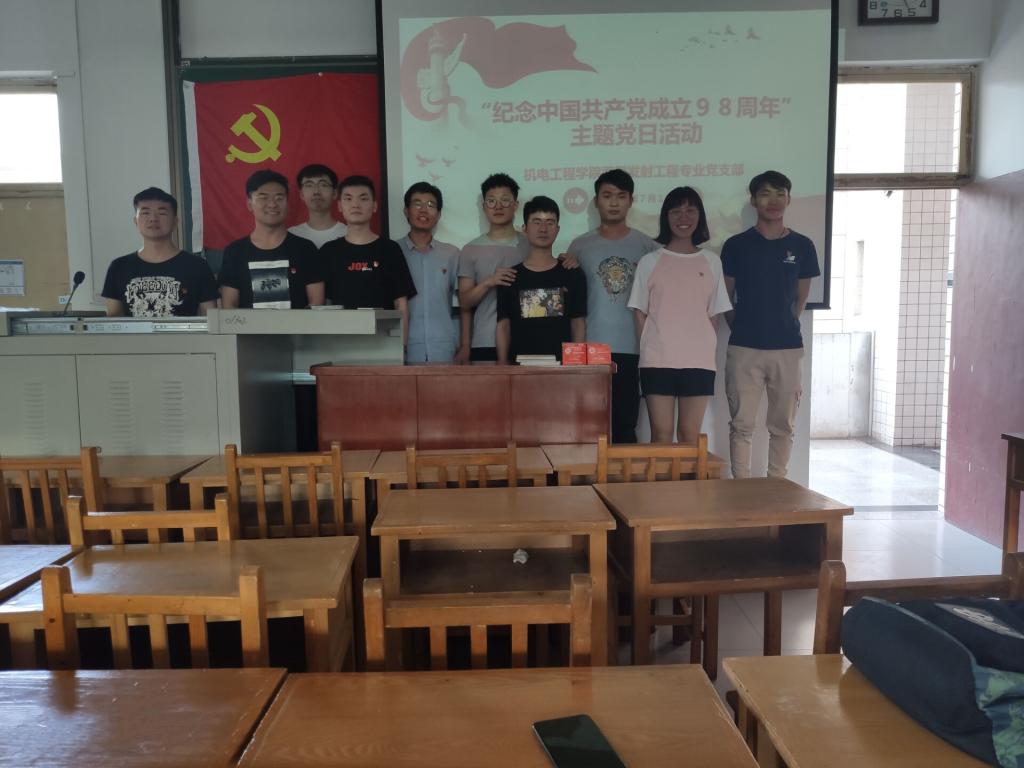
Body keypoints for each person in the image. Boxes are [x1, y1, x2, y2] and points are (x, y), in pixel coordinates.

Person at [722, 170, 820, 478]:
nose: (773, 200)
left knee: (783, 426)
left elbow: (800, 298)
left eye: (780, 194)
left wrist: (783, 323)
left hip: (787, 348)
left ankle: (777, 487)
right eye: (765, 193)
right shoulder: (736, 245)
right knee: (742, 425)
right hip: (744, 347)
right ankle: (741, 489)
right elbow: (726, 298)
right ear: (753, 200)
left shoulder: (802, 245)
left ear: (789, 199)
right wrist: (745, 327)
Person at [627, 187, 731, 445]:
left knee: (689, 436)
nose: (683, 217)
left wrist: (698, 345)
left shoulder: (712, 261)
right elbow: (639, 313)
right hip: (657, 361)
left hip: (699, 362)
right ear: (666, 217)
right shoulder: (650, 261)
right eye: (676, 211)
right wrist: (652, 347)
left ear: (700, 216)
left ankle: (690, 478)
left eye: (690, 210)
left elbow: (714, 315)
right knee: (661, 436)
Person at [564, 169, 658, 443]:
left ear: (631, 201)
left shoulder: (648, 247)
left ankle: (624, 474)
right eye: (607, 196)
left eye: (621, 196)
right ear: (596, 201)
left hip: (634, 346)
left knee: (626, 426)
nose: (614, 202)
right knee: (589, 426)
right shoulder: (580, 246)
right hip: (591, 347)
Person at [320, 175, 416, 346]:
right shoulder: (329, 251)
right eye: (348, 199)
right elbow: (324, 304)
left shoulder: (390, 249)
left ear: (374, 206)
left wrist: (401, 346)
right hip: (339, 344)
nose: (356, 204)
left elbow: (401, 303)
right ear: (340, 206)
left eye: (363, 198)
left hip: (383, 344)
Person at [496, 196, 586, 364]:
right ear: (524, 228)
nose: (543, 229)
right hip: (519, 367)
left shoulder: (572, 274)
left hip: (562, 368)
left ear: (557, 229)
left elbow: (577, 323)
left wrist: (577, 365)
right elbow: (503, 325)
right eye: (536, 222)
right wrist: (502, 365)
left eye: (550, 223)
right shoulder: (510, 276)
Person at [102, 187, 218, 318]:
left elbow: (211, 320)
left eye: (162, 213)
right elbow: (113, 321)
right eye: (145, 213)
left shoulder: (197, 266)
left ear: (175, 222)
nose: (153, 218)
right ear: (135, 221)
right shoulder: (119, 267)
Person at [218, 169, 325, 309]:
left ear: (287, 203)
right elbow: (229, 306)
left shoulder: (305, 249)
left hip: (298, 325)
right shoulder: (235, 252)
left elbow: (316, 304)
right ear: (249, 204)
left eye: (279, 198)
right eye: (263, 198)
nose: (272, 204)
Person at [457, 172, 529, 363]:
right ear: (484, 207)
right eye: (491, 201)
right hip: (484, 340)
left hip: (525, 340)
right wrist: (489, 282)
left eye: (505, 200)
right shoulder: (470, 250)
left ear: (516, 205)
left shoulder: (530, 244)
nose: (498, 206)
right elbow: (464, 302)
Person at [399, 181, 461, 363]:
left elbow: (463, 304)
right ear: (406, 211)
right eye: (417, 204)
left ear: (439, 214)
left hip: (444, 347)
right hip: (402, 348)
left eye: (430, 205)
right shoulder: (393, 251)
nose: (424, 210)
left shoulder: (451, 254)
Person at [288, 163, 347, 248]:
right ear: (301, 194)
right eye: (309, 185)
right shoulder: (291, 235)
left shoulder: (349, 233)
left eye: (323, 185)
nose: (316, 191)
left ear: (334, 193)